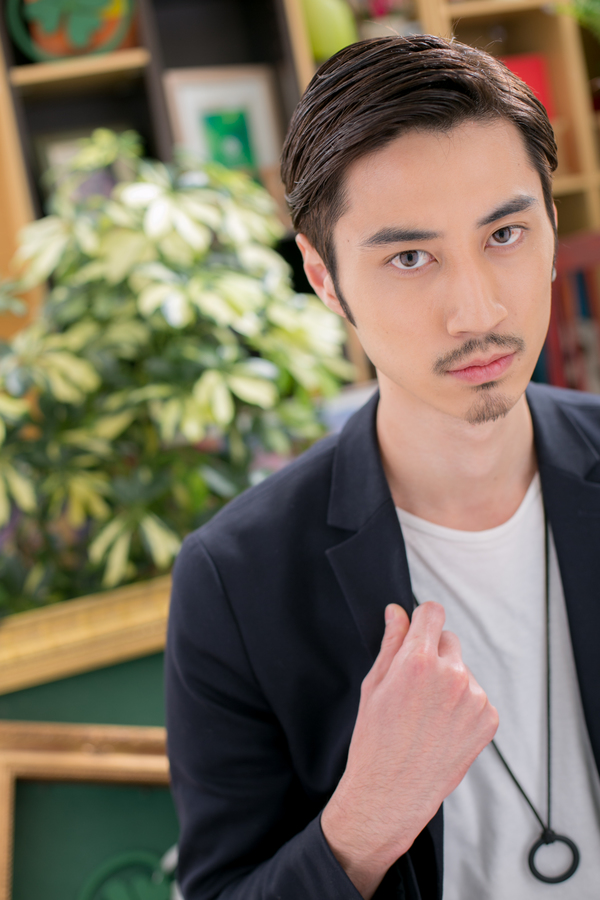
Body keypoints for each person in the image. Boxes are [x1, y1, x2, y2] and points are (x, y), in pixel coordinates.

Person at [165, 35, 600, 900]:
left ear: (553, 228)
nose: (477, 309)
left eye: (504, 234)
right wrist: (363, 821)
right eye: (409, 257)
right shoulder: (236, 579)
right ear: (324, 278)